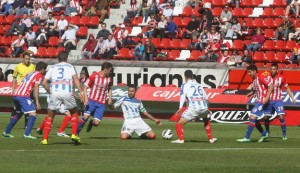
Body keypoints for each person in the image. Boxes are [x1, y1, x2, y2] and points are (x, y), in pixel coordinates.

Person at [40, 51, 84, 145]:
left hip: (54, 93)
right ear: (67, 58)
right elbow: (75, 79)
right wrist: (81, 92)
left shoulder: (53, 67)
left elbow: (43, 82)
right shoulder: (70, 66)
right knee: (74, 112)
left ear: (58, 59)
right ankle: (73, 134)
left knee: (50, 116)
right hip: (66, 92)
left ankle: (45, 139)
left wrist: (50, 92)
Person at [3, 61, 47, 139]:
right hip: (23, 96)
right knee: (33, 114)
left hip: (16, 94)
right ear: (42, 69)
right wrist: (37, 101)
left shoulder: (30, 73)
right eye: (45, 69)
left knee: (19, 113)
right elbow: (36, 88)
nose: (45, 71)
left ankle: (6, 132)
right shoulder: (39, 75)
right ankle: (27, 134)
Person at [171, 70, 217, 144]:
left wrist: (180, 108)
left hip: (194, 108)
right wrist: (207, 108)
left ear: (185, 76)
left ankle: (181, 139)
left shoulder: (184, 85)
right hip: (204, 107)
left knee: (179, 123)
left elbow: (182, 96)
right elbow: (207, 99)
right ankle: (211, 139)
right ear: (192, 76)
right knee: (206, 120)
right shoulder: (199, 85)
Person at [256, 63, 296, 140]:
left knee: (281, 116)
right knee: (266, 118)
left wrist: (292, 98)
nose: (272, 71)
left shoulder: (282, 78)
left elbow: (287, 88)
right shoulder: (267, 77)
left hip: (278, 100)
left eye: (274, 69)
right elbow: (262, 86)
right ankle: (267, 131)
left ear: (277, 70)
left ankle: (284, 134)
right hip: (269, 100)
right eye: (271, 69)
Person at [237, 65, 274, 143]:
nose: (249, 74)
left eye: (250, 72)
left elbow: (271, 85)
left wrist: (267, 97)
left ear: (254, 71)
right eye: (248, 72)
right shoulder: (254, 80)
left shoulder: (261, 77)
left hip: (263, 101)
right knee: (253, 118)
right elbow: (257, 90)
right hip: (259, 100)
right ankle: (264, 134)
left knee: (252, 116)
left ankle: (247, 137)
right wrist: (251, 93)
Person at [76, 62, 113, 136]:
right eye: (110, 70)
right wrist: (86, 99)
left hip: (101, 103)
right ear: (106, 70)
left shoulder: (109, 79)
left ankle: (91, 123)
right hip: (92, 100)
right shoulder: (94, 76)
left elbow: (109, 89)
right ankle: (76, 133)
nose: (110, 72)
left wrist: (110, 99)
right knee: (85, 117)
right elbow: (85, 87)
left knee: (96, 123)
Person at [11, 52, 35, 128]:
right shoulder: (18, 66)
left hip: (29, 90)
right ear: (23, 59)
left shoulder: (32, 66)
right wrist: (14, 88)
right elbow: (14, 77)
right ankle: (11, 123)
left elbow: (33, 78)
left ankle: (26, 125)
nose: (27, 61)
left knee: (28, 107)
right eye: (26, 59)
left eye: (28, 59)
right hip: (20, 89)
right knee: (16, 106)